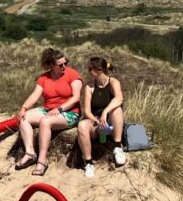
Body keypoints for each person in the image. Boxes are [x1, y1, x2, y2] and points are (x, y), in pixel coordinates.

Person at [15, 48, 82, 176]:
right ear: (51, 65)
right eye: (60, 65)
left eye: (65, 63)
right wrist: (23, 108)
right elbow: (35, 95)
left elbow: (76, 98)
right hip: (49, 109)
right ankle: (30, 153)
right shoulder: (44, 78)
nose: (64, 66)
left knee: (45, 122)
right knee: (24, 117)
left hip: (69, 112)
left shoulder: (72, 74)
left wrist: (59, 109)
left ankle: (42, 161)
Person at [76, 57, 125, 178]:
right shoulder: (89, 86)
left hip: (111, 123)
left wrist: (105, 112)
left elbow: (119, 98)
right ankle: (88, 163)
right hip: (96, 122)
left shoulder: (113, 82)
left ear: (99, 70)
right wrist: (97, 121)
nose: (88, 71)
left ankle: (117, 147)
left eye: (90, 69)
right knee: (82, 126)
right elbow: (87, 111)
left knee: (117, 110)